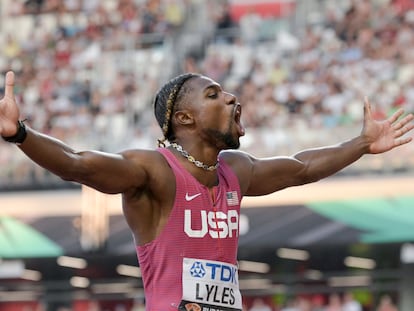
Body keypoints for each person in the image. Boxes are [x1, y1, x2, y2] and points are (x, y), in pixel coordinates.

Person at [1, 71, 413, 311]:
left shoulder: (236, 170)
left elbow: (301, 168)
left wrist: (360, 145)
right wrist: (19, 133)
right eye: (214, 95)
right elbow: (76, 163)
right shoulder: (155, 172)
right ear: (184, 117)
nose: (232, 97)